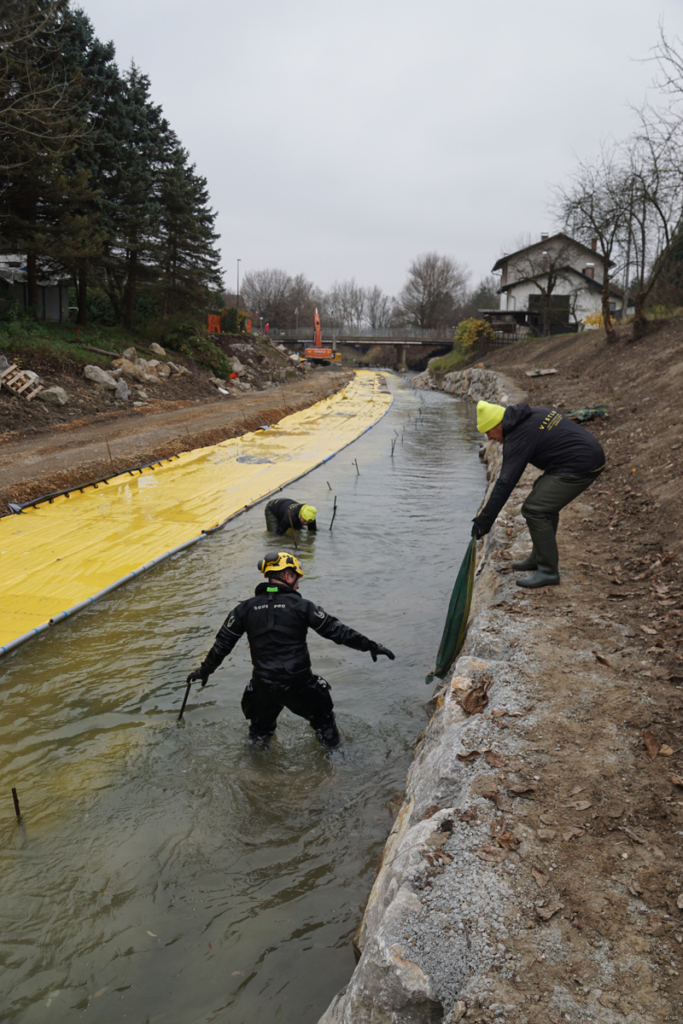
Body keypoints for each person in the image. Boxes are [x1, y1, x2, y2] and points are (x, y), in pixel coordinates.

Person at [185, 551, 395, 748]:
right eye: (296, 577)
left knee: (259, 733)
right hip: (299, 684)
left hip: (263, 686)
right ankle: (336, 767)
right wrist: (370, 646)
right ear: (286, 575)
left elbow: (222, 645)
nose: (297, 584)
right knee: (325, 724)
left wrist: (204, 671)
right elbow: (337, 631)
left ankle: (253, 776)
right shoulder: (303, 606)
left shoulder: (243, 609)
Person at [471, 400, 605, 589]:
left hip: (581, 464)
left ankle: (548, 571)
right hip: (585, 456)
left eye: (488, 431)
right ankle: (538, 556)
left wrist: (483, 522)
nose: (489, 438)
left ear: (499, 424)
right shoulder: (533, 414)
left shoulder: (518, 436)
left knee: (535, 509)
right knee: (541, 494)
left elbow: (505, 483)